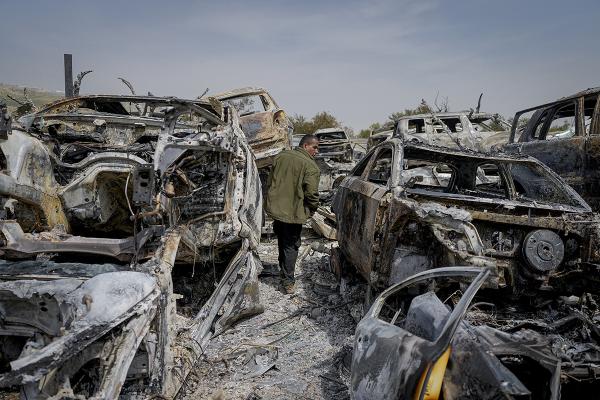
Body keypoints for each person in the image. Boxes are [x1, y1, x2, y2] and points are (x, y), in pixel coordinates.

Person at [265, 134, 320, 294]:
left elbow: (270, 182)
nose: (317, 151)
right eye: (314, 147)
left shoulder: (281, 156)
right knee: (291, 245)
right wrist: (313, 208)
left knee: (282, 241)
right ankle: (288, 282)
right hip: (293, 213)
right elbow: (312, 194)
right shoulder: (311, 166)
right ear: (305, 146)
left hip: (276, 210)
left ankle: (284, 273)